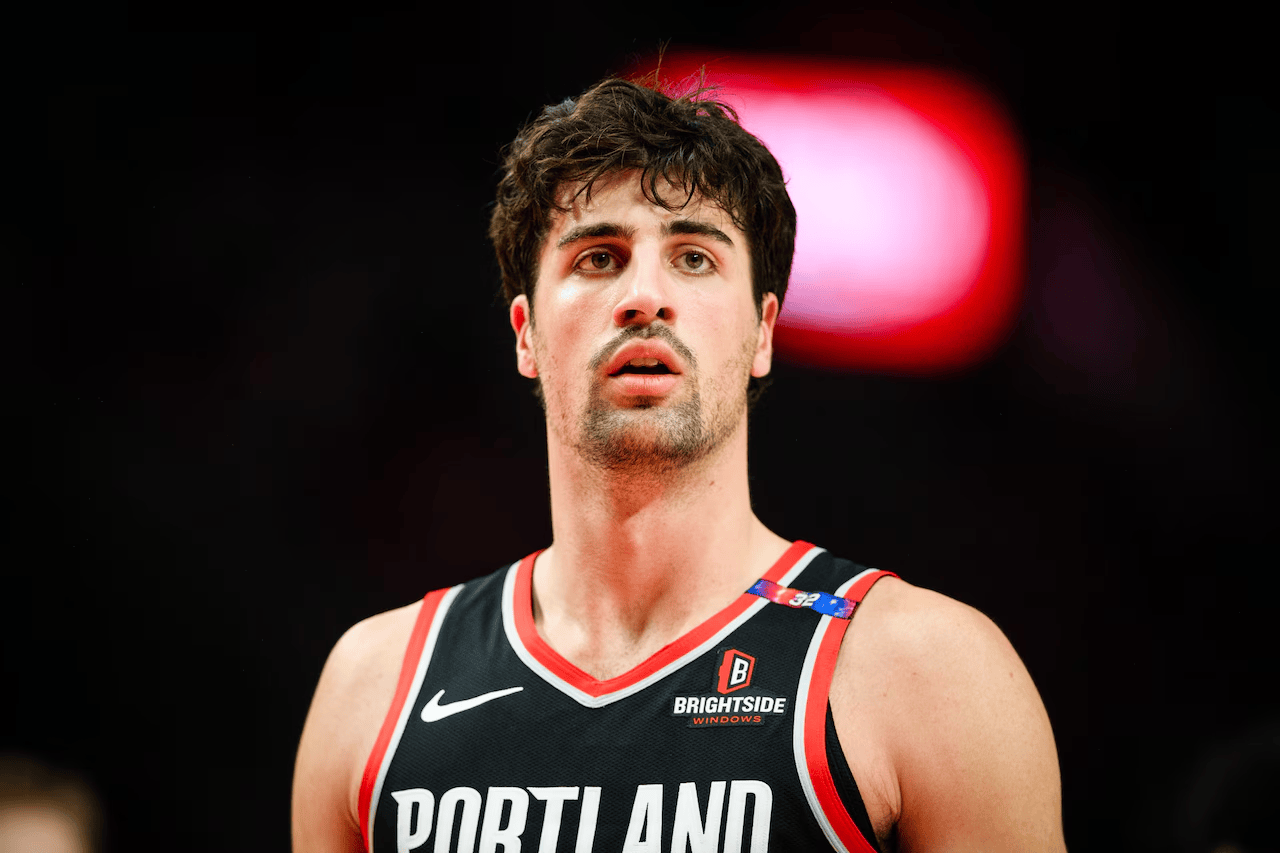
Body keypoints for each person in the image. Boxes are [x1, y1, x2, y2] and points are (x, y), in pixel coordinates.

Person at [293, 76, 1066, 853]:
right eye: (599, 257)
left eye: (694, 257)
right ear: (525, 333)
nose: (644, 296)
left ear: (763, 331)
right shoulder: (375, 686)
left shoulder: (926, 673)